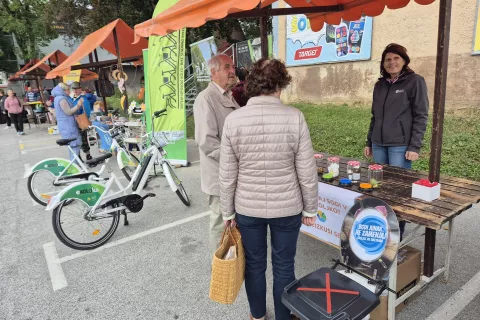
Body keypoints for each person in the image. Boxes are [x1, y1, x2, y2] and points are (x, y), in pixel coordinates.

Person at [220, 58, 318, 320]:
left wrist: (227, 212)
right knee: (285, 267)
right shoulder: (295, 117)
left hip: (247, 208)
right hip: (287, 207)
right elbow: (307, 171)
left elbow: (228, 174)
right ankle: (284, 317)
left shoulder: (234, 120)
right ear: (280, 84)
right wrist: (310, 207)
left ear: (252, 83)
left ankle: (257, 316)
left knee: (254, 266)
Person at [364, 43, 429, 239]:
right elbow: (375, 116)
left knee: (398, 190)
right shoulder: (380, 85)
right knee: (379, 187)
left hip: (400, 145)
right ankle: (380, 229)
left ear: (404, 60)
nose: (392, 63)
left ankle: (397, 235)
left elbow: (421, 115)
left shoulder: (415, 82)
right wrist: (369, 141)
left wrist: (414, 145)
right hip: (379, 144)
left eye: (396, 58)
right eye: (387, 60)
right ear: (383, 64)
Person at [193, 54, 239, 255]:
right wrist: (236, 160)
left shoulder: (227, 95)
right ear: (213, 72)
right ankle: (219, 265)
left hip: (230, 173)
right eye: (227, 67)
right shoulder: (206, 98)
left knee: (230, 222)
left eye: (233, 67)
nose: (232, 71)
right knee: (220, 222)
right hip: (220, 175)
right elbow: (207, 142)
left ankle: (231, 263)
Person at [52, 83, 81, 161]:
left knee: (72, 147)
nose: (69, 91)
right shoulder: (62, 99)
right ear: (63, 90)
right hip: (68, 126)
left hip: (65, 125)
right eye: (68, 89)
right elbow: (68, 112)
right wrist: (78, 105)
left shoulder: (58, 98)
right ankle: (75, 167)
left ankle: (75, 166)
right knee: (75, 145)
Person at [70, 81, 92, 161]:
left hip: (81, 122)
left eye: (77, 89)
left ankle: (88, 155)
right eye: (73, 89)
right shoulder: (71, 98)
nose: (75, 90)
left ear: (80, 89)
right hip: (73, 123)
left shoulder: (83, 99)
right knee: (76, 141)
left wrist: (80, 119)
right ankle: (78, 156)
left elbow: (87, 112)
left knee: (83, 140)